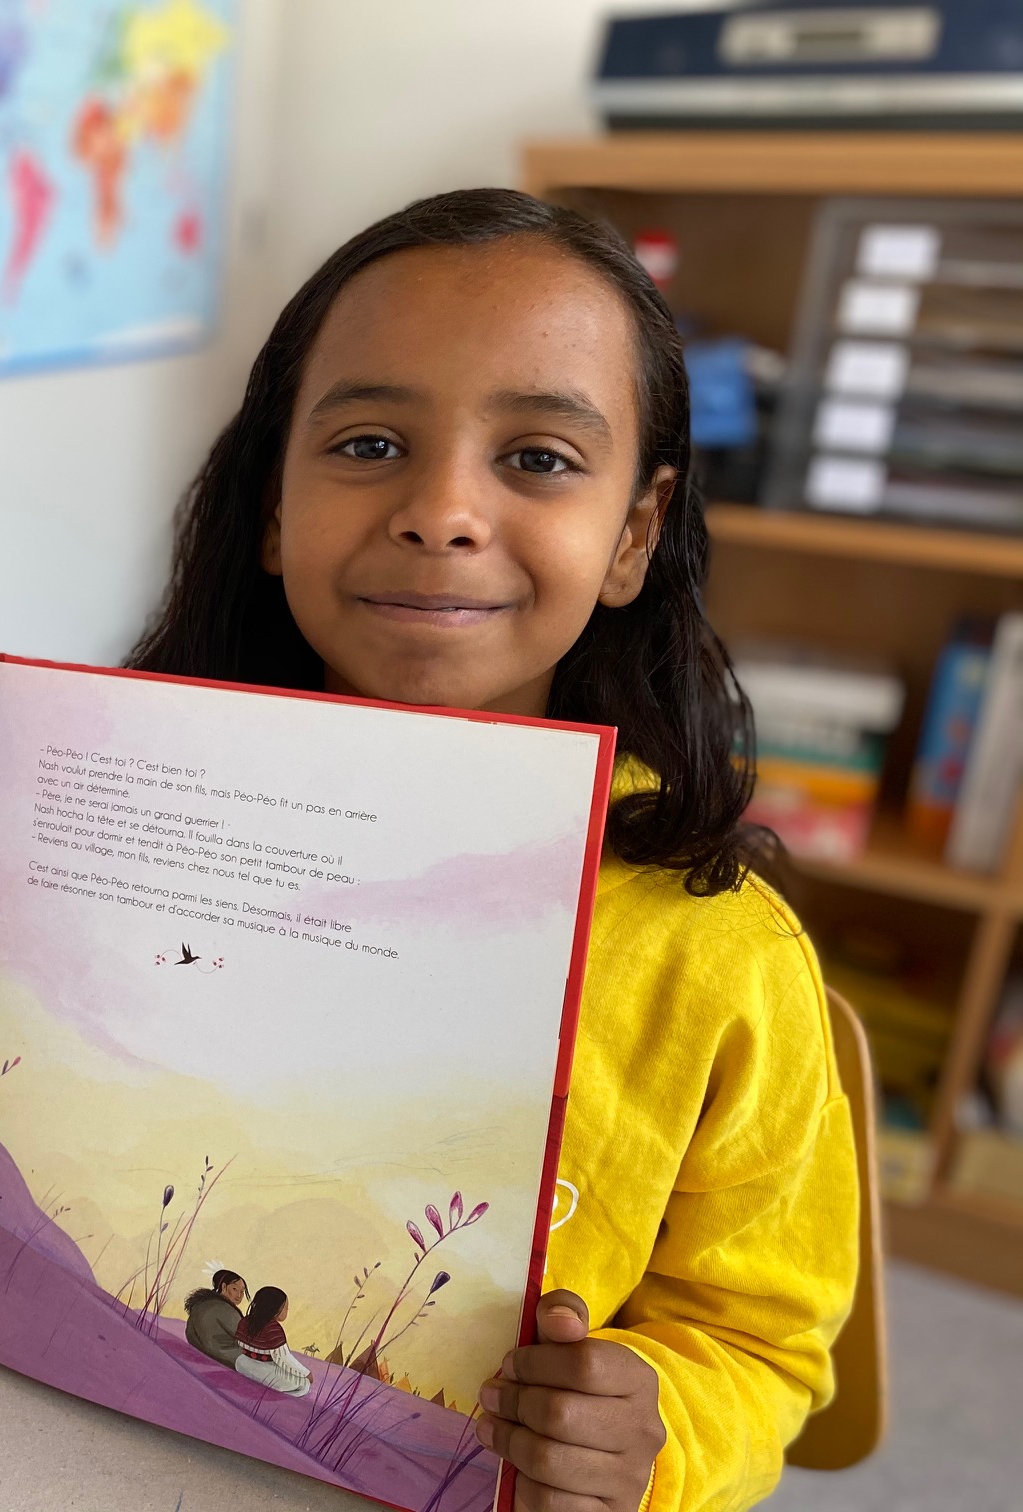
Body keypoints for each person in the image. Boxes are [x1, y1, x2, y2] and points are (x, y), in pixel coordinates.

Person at [130, 188, 858, 1512]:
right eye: (367, 443)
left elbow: (761, 1344)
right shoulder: (125, 824)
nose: (442, 512)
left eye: (538, 458)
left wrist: (651, 1431)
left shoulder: (718, 951)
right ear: (274, 507)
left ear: (634, 532)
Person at [232, 1286, 312, 1397]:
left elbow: (239, 1343)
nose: (287, 1311)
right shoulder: (272, 1328)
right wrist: (306, 1373)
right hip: (264, 1370)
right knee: (304, 1384)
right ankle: (274, 1396)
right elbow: (284, 1359)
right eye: (286, 1308)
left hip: (242, 1364)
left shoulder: (245, 1321)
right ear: (276, 1309)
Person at [183, 1269, 248, 1365]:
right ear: (224, 1287)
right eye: (234, 1289)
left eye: (242, 1291)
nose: (239, 1295)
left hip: (203, 1356)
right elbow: (247, 1338)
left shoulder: (201, 1305)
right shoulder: (225, 1310)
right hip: (228, 1358)